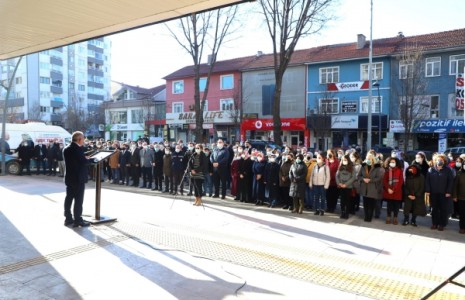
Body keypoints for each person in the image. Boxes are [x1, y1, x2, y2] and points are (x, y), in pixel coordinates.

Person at [63, 131, 95, 227]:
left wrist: (84, 158)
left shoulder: (67, 148)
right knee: (78, 200)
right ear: (79, 139)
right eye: (83, 138)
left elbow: (76, 160)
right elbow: (83, 162)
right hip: (78, 178)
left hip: (69, 178)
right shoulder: (77, 149)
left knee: (68, 198)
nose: (84, 140)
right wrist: (92, 159)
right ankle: (78, 220)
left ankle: (68, 218)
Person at [425, 153, 454, 231]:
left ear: (444, 161)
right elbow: (427, 181)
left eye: (441, 160)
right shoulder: (431, 169)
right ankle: (434, 223)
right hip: (433, 193)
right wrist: (427, 190)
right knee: (434, 209)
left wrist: (448, 191)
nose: (439, 161)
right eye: (438, 160)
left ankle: (442, 224)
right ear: (435, 161)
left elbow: (450, 181)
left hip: (444, 193)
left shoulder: (448, 170)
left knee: (443, 209)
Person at [359, 153, 384, 222]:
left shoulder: (377, 167)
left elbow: (379, 178)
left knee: (371, 204)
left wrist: (370, 180)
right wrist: (363, 179)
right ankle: (366, 215)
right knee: (365, 203)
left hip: (372, 188)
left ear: (373, 159)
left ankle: (369, 217)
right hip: (364, 187)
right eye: (368, 158)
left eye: (370, 158)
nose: (369, 160)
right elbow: (359, 176)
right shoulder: (363, 166)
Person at [382, 157, 404, 225]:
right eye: (391, 162)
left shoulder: (400, 170)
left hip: (397, 191)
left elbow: (401, 181)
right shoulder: (387, 171)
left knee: (396, 206)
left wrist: (394, 189)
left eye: (393, 162)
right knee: (389, 205)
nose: (392, 163)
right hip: (388, 191)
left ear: (396, 163)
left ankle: (395, 217)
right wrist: (388, 188)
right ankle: (388, 217)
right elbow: (384, 181)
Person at [336, 155, 356, 219]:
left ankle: (347, 213)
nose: (344, 161)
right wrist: (339, 183)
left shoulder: (352, 168)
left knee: (347, 201)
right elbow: (337, 176)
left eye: (345, 160)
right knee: (342, 201)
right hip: (341, 186)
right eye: (343, 160)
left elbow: (353, 177)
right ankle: (342, 212)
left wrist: (346, 184)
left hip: (348, 187)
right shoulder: (340, 167)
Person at [326, 149, 340, 213]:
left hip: (334, 182)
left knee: (334, 196)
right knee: (328, 196)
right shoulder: (326, 161)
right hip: (327, 182)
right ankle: (328, 207)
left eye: (330, 153)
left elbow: (338, 171)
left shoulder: (337, 161)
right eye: (328, 153)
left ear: (333, 154)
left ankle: (332, 207)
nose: (329, 154)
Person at [452, 161, 465, 234]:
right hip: (461, 197)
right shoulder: (459, 174)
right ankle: (462, 227)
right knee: (462, 214)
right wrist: (455, 196)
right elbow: (455, 186)